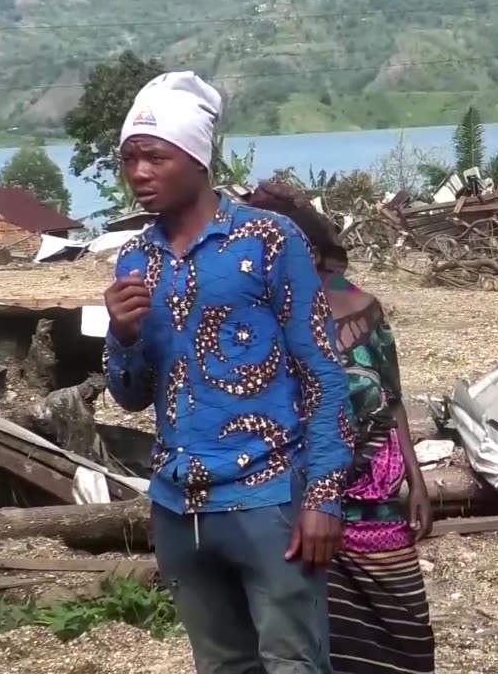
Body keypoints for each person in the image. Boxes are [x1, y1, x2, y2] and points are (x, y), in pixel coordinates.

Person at [102, 73, 351, 672]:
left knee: (293, 661)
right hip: (176, 506)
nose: (139, 172)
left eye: (155, 157)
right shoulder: (136, 258)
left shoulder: (269, 240)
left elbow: (321, 371)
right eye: (130, 158)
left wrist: (322, 497)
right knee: (220, 664)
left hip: (268, 501)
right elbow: (130, 396)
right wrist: (123, 335)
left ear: (197, 160)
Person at [246, 183, 437, 674]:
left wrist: (416, 481)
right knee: (312, 634)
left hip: (373, 497)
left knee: (404, 630)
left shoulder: (364, 310)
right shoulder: (257, 317)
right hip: (295, 500)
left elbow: (392, 399)